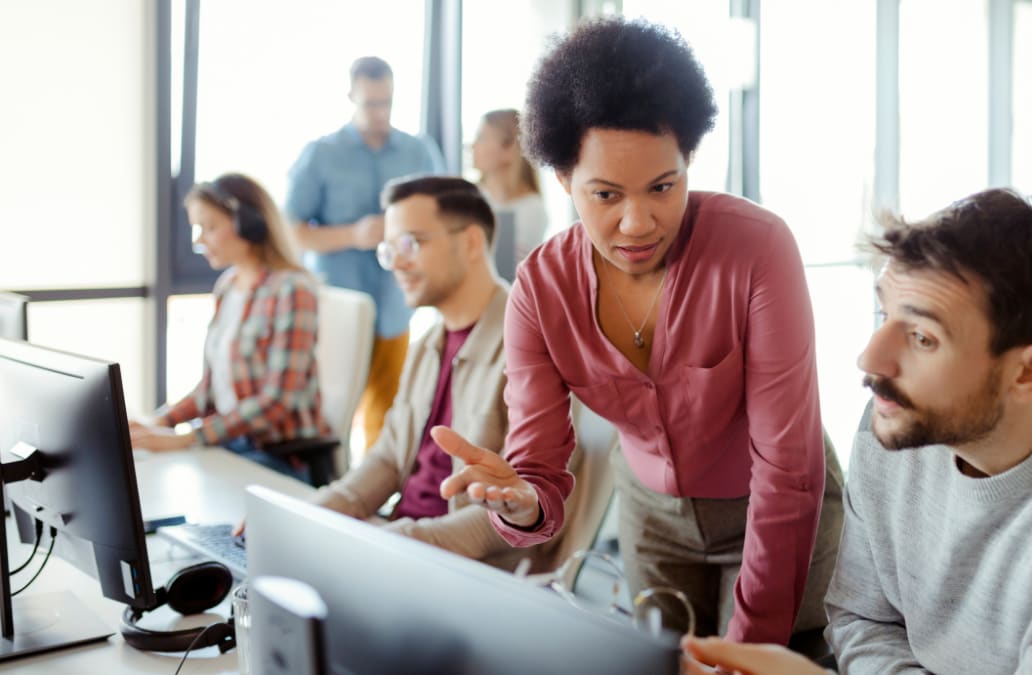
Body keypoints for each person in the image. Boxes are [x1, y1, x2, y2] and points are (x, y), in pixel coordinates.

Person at [432, 17, 842, 646]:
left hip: (780, 509)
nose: (636, 223)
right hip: (651, 517)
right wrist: (519, 501)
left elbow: (787, 469)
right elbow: (537, 470)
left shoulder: (758, 250)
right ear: (565, 181)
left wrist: (747, 646)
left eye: (662, 187)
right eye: (604, 194)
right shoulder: (541, 291)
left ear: (689, 161)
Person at [684, 188, 1032, 674]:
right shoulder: (901, 425)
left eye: (922, 337)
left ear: (1030, 371)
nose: (871, 358)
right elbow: (862, 618)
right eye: (884, 313)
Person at [308, 175, 602, 571]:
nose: (396, 262)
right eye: (389, 249)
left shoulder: (536, 346)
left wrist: (391, 543)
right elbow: (390, 459)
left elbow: (526, 506)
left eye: (411, 243)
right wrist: (314, 514)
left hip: (465, 571)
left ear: (470, 243)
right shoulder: (427, 344)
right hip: (400, 549)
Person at [285, 55, 446, 450]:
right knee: (334, 413)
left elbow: (443, 220)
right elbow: (292, 233)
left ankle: (376, 505)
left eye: (386, 102)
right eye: (370, 103)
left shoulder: (418, 152)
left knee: (390, 415)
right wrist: (352, 235)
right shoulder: (320, 155)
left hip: (396, 304)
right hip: (339, 307)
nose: (380, 112)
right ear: (351, 97)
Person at [130, 173, 328, 481]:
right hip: (226, 444)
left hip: (275, 455)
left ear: (248, 223)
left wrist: (187, 439)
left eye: (209, 227)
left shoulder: (293, 289)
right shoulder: (228, 286)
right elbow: (210, 388)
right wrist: (159, 422)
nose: (198, 240)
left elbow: (277, 401)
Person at [471, 108, 549, 262]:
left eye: (481, 138)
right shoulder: (469, 198)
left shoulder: (532, 209)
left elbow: (512, 271)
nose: (473, 146)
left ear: (509, 148)